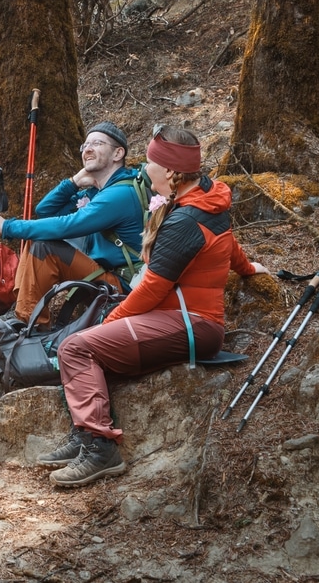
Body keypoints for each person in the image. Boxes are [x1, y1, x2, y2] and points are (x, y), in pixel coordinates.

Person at [38, 126, 269, 487]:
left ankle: (101, 449)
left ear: (172, 172)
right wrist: (248, 267)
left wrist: (109, 323)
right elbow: (229, 244)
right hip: (182, 318)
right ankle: (85, 437)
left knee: (77, 347)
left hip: (191, 324)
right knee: (87, 346)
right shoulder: (207, 198)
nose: (145, 171)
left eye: (151, 164)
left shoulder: (184, 221)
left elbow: (150, 289)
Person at [0, 121, 146, 329]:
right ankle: (30, 321)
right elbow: (45, 210)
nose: (88, 149)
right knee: (39, 241)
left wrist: (7, 227)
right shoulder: (97, 192)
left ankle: (32, 327)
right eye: (85, 145)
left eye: (98, 143)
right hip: (102, 275)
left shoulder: (119, 195)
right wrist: (73, 182)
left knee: (43, 246)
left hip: (123, 287)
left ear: (118, 154)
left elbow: (68, 225)